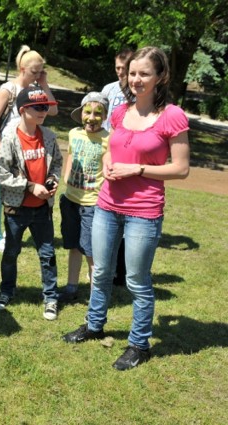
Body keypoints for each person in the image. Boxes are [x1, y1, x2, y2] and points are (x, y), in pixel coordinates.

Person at [62, 46, 190, 370]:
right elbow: (111, 149)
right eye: (132, 73)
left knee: (136, 279)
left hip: (144, 211)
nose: (136, 79)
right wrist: (107, 164)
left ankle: (139, 343)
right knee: (101, 271)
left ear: (160, 77)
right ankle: (94, 324)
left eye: (144, 73)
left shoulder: (172, 115)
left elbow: (181, 168)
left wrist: (139, 170)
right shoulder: (120, 112)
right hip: (107, 203)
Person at [0, 87, 63, 320]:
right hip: (17, 209)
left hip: (43, 209)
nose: (44, 110)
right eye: (39, 107)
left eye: (46, 106)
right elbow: (1, 174)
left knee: (47, 253)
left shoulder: (50, 137)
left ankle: (51, 297)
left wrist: (52, 180)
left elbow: (56, 165)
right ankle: (6, 291)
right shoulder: (10, 138)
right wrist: (31, 186)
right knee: (11, 252)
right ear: (23, 110)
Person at [0, 45, 59, 253]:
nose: (38, 75)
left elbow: (52, 110)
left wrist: (44, 83)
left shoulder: (36, 91)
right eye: (34, 72)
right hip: (3, 149)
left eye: (41, 71)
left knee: (20, 189)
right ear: (22, 69)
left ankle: (12, 230)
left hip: (24, 152)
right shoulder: (8, 89)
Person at [59, 92, 109, 301]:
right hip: (71, 200)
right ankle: (71, 287)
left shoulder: (108, 138)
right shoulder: (74, 133)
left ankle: (95, 294)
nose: (92, 118)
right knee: (74, 246)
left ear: (105, 116)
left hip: (92, 203)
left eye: (98, 114)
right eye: (88, 112)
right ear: (81, 114)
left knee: (91, 251)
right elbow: (70, 154)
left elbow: (108, 168)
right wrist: (66, 175)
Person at [102, 48, 134, 286]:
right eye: (118, 69)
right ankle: (104, 268)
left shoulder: (138, 94)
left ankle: (120, 271)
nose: (121, 73)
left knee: (125, 213)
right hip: (108, 153)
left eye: (125, 69)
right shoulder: (109, 90)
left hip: (130, 157)